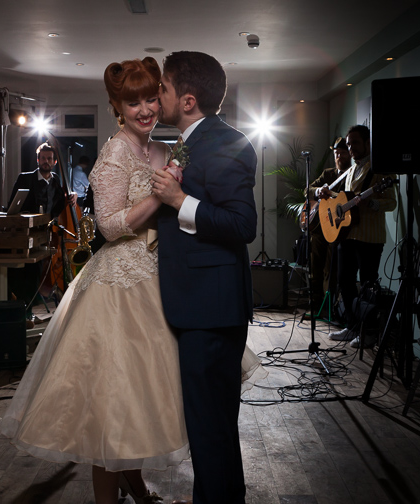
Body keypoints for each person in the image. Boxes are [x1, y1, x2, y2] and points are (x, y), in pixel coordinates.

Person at [0, 58, 189, 504]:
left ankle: (138, 490)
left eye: (149, 98)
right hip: (118, 285)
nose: (144, 108)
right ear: (116, 106)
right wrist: (162, 195)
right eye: (132, 101)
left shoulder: (162, 150)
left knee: (139, 400)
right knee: (111, 402)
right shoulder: (116, 152)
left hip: (157, 277)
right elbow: (108, 225)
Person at [151, 51, 258, 504]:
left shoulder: (226, 143)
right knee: (213, 429)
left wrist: (179, 201)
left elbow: (242, 225)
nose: (157, 97)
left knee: (210, 430)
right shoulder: (193, 141)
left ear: (188, 100)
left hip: (210, 310)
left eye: (164, 89)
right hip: (198, 303)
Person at [317, 124, 397, 349]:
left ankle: (369, 333)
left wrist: (371, 202)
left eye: (355, 143)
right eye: (349, 144)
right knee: (345, 281)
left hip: (370, 238)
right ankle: (352, 326)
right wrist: (328, 195)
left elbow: (392, 202)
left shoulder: (380, 169)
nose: (351, 148)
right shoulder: (352, 169)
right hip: (347, 235)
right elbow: (345, 198)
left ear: (367, 143)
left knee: (368, 287)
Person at [303, 136, 351, 308]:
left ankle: (329, 306)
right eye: (337, 154)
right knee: (315, 266)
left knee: (331, 270)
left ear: (349, 154)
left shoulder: (352, 175)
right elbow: (307, 190)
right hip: (320, 228)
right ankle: (315, 304)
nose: (339, 157)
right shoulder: (328, 174)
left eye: (343, 154)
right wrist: (318, 192)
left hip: (338, 229)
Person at [6, 142, 73, 217]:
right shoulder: (24, 178)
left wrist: (73, 194)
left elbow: (61, 200)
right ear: (38, 160)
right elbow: (12, 206)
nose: (46, 161)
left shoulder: (55, 179)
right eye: (43, 158)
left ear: (55, 162)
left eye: (49, 158)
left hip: (49, 226)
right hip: (28, 226)